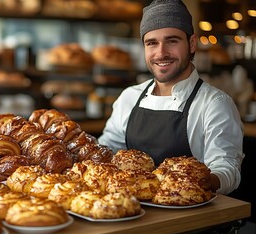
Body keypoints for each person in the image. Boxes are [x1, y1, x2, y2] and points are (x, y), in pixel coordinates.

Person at [98, 0, 244, 195]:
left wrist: (184, 183)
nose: (161, 53)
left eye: (172, 41)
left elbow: (227, 170)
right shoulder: (129, 97)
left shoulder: (214, 104)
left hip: (189, 219)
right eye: (152, 43)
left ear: (192, 44)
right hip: (129, 211)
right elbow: (106, 149)